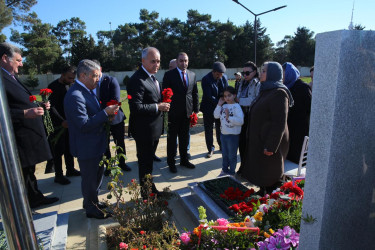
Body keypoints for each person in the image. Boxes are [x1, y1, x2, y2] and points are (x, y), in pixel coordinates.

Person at [0, 42, 59, 208]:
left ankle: (34, 197)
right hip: (16, 138)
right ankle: (26, 203)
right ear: (5, 58)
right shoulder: (1, 79)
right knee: (22, 174)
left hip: (27, 137)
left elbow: (18, 102)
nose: (22, 63)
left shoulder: (11, 77)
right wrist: (25, 114)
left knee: (29, 172)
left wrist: (38, 106)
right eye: (18, 60)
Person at [64, 59, 119, 219]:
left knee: (96, 177)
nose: (98, 79)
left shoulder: (87, 90)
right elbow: (84, 124)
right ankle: (91, 209)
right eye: (95, 76)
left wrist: (106, 116)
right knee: (89, 179)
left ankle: (92, 201)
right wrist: (105, 113)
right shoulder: (75, 95)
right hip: (87, 147)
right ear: (83, 75)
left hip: (96, 144)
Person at [242, 61, 294, 195]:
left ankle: (272, 199)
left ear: (273, 73)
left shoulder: (279, 93)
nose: (261, 73)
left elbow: (279, 122)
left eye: (264, 71)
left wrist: (271, 146)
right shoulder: (266, 90)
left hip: (270, 143)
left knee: (270, 171)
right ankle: (264, 191)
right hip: (261, 139)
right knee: (262, 169)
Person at [127, 47, 170, 196]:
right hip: (144, 130)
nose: (156, 64)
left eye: (158, 61)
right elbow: (136, 107)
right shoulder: (137, 79)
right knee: (145, 164)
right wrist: (158, 106)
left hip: (153, 129)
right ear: (143, 61)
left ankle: (150, 190)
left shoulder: (152, 77)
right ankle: (147, 195)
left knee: (149, 164)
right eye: (153, 61)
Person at [93, 60, 131, 175]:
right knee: (104, 144)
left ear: (101, 69)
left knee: (119, 142)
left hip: (115, 118)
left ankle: (122, 163)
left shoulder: (110, 80)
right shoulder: (90, 83)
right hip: (99, 119)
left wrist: (104, 112)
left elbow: (115, 99)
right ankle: (108, 166)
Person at [163, 52, 199, 173]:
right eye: (181, 61)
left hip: (187, 113)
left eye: (186, 61)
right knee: (172, 140)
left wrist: (196, 110)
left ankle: (184, 160)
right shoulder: (169, 75)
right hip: (173, 113)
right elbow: (165, 94)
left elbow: (195, 93)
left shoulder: (192, 75)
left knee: (184, 138)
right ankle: (171, 163)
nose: (184, 63)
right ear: (177, 62)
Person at [48, 65, 81, 185]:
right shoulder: (53, 87)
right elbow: (52, 107)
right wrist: (62, 121)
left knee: (69, 147)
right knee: (59, 150)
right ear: (62, 75)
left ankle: (70, 169)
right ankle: (58, 175)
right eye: (69, 78)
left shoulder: (71, 86)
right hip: (59, 124)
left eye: (73, 78)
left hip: (70, 123)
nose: (71, 80)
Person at [282, 62, 312, 164]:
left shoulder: (302, 87)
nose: (282, 75)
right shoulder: (285, 88)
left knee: (298, 160)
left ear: (290, 73)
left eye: (284, 72)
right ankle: (288, 180)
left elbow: (310, 108)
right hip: (288, 128)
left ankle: (299, 180)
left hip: (300, 130)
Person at [236, 61, 260, 175]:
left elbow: (254, 100)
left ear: (254, 72)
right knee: (242, 143)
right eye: (243, 72)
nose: (245, 75)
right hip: (242, 116)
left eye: (247, 73)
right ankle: (243, 166)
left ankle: (250, 168)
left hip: (252, 117)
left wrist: (239, 100)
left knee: (250, 144)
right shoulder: (242, 82)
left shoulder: (257, 83)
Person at [200, 61, 228, 158]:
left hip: (220, 107)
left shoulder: (224, 78)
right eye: (218, 74)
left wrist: (225, 100)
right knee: (208, 129)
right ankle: (210, 148)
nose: (220, 76)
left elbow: (226, 90)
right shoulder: (206, 79)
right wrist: (220, 102)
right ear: (213, 72)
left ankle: (221, 146)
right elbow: (208, 96)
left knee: (220, 128)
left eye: (222, 74)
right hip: (208, 108)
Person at [214, 86, 244, 176]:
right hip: (223, 134)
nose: (226, 98)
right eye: (225, 96)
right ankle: (224, 170)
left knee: (232, 155)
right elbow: (216, 116)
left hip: (233, 135)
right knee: (225, 154)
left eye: (229, 95)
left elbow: (240, 121)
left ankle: (231, 172)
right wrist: (219, 104)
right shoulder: (224, 106)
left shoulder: (236, 107)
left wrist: (229, 117)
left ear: (234, 95)